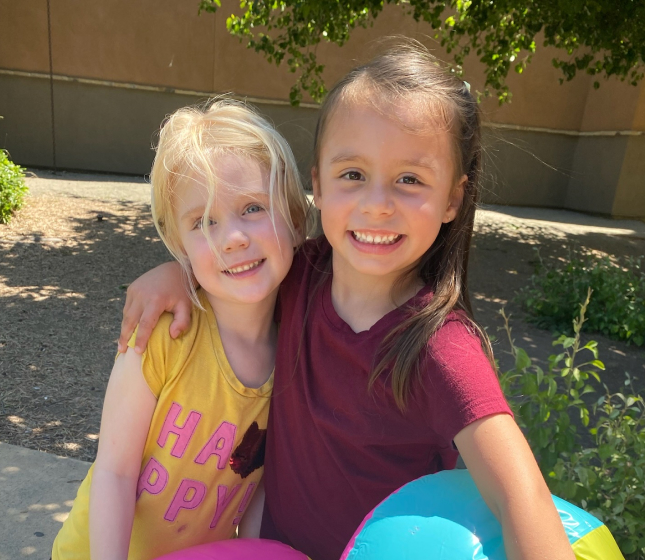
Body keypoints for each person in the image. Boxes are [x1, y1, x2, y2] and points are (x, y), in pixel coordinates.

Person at [117, 43, 576, 560]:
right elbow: (231, 260)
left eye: (410, 180)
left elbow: (523, 496)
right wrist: (174, 275)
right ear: (317, 184)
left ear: (453, 198)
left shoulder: (440, 348)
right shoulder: (298, 276)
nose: (376, 204)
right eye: (353, 174)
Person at [52, 100, 310, 560]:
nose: (232, 237)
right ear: (179, 246)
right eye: (203, 221)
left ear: (293, 216)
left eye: (252, 207)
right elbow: (114, 472)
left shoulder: (298, 352)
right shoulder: (160, 334)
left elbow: (258, 490)